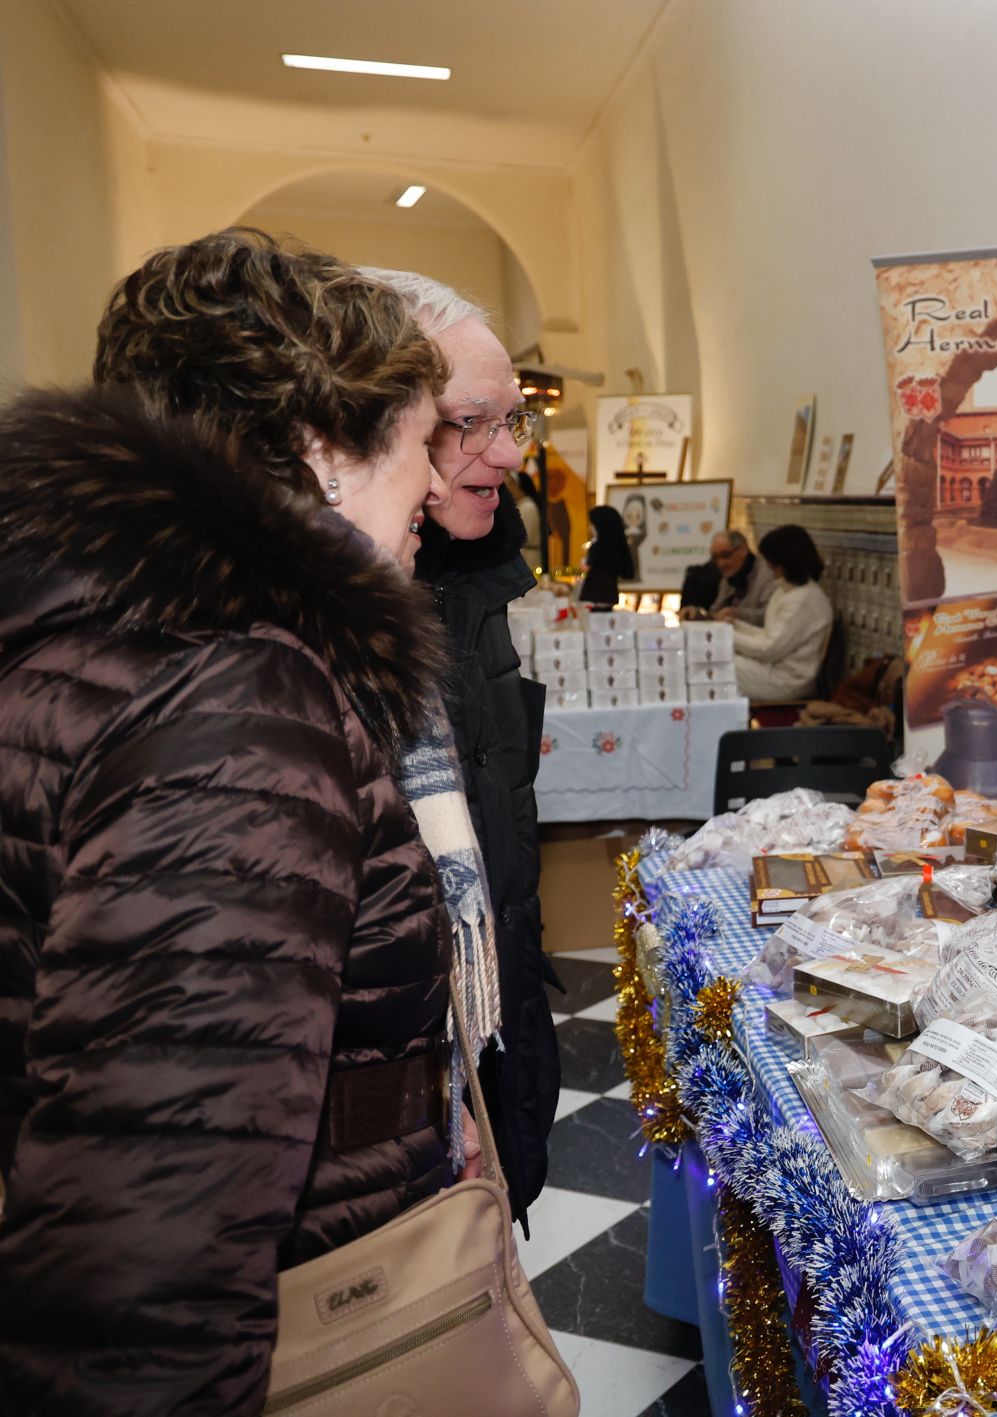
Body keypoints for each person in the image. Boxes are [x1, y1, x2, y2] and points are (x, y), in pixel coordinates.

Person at [0, 230, 467, 1412]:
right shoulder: (237, 701)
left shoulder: (109, 634)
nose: (433, 482)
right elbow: (152, 1237)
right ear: (321, 450)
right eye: (423, 441)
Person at [363, 267, 561, 1232]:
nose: (508, 454)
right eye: (471, 423)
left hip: (499, 1038)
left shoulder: (480, 580)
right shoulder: (346, 617)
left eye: (514, 421)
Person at [729, 523, 834, 699]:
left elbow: (769, 649)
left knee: (716, 668)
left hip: (788, 680)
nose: (769, 569)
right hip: (772, 668)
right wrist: (735, 626)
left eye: (771, 564)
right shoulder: (785, 590)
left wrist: (728, 636)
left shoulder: (805, 599)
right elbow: (769, 635)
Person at [705, 527, 778, 625]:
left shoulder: (768, 573)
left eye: (726, 555)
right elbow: (716, 611)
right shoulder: (729, 576)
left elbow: (770, 616)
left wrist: (736, 614)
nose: (720, 563)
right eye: (715, 558)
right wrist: (698, 614)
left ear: (743, 550)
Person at [578, 503, 635, 609]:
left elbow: (589, 566)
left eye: (593, 524)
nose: (591, 527)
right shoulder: (617, 547)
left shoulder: (598, 547)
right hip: (610, 594)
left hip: (594, 594)